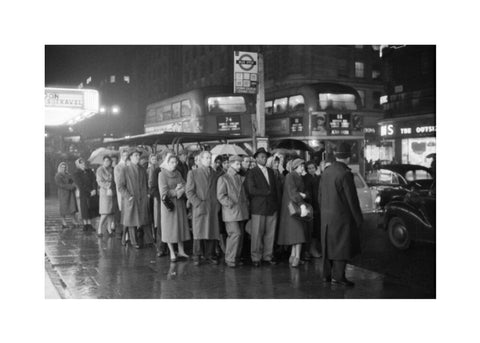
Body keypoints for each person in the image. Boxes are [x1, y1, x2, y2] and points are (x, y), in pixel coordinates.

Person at [318, 142, 363, 287]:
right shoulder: (345, 174)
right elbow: (352, 200)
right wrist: (358, 219)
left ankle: (326, 275)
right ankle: (338, 276)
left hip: (326, 216)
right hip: (342, 217)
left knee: (328, 245)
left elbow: (320, 195)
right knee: (341, 247)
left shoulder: (326, 171)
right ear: (348, 158)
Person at [245, 148, 281, 267]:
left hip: (271, 206)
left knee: (270, 233)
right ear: (256, 158)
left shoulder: (271, 171)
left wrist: (277, 204)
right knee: (257, 234)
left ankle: (267, 256)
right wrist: (266, 192)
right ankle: (256, 257)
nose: (264, 159)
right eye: (261, 157)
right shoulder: (252, 172)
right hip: (258, 207)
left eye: (265, 157)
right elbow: (251, 190)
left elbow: (276, 190)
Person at [186, 151, 221, 265]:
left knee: (212, 230)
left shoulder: (215, 174)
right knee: (198, 232)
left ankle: (210, 254)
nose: (209, 160)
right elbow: (189, 192)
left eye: (210, 158)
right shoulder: (193, 173)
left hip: (212, 206)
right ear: (200, 159)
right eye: (206, 158)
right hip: (200, 206)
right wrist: (198, 204)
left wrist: (217, 205)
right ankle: (197, 254)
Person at [217, 155, 249, 268]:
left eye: (240, 164)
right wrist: (230, 203)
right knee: (235, 234)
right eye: (237, 164)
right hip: (231, 212)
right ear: (231, 164)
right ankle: (230, 258)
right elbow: (221, 196)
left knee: (239, 236)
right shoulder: (223, 178)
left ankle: (235, 257)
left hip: (241, 211)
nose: (239, 166)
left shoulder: (240, 178)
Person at [158, 153, 191, 262]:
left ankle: (181, 251)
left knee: (180, 227)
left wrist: (182, 189)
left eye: (176, 162)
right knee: (169, 229)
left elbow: (185, 184)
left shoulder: (178, 173)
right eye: (172, 162)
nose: (174, 164)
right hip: (169, 206)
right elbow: (163, 192)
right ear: (167, 162)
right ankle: (172, 252)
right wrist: (177, 192)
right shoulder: (162, 174)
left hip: (180, 204)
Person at [277, 159, 309, 267]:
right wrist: (302, 203)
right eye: (301, 166)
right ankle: (297, 257)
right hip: (295, 207)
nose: (303, 168)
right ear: (295, 167)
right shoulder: (292, 176)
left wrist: (303, 196)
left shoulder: (292, 176)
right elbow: (293, 192)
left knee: (295, 233)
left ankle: (293, 256)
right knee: (298, 232)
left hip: (291, 207)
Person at [117, 149, 151, 249]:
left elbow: (146, 184)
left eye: (138, 155)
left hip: (142, 198)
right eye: (135, 155)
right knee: (131, 221)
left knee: (140, 219)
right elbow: (120, 187)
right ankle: (133, 241)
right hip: (131, 199)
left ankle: (128, 238)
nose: (138, 157)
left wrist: (147, 194)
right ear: (130, 157)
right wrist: (129, 196)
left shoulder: (142, 169)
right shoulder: (125, 169)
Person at [148, 154, 168, 257]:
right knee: (161, 224)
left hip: (172, 201)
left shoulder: (175, 170)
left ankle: (170, 247)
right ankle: (161, 247)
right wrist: (161, 198)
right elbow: (153, 188)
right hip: (162, 201)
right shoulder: (157, 171)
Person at [72, 158, 99, 231]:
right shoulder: (76, 173)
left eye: (83, 163)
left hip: (92, 193)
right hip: (84, 193)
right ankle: (85, 224)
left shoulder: (89, 171)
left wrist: (94, 189)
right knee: (84, 209)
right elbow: (80, 184)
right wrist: (89, 191)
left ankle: (89, 224)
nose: (83, 164)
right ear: (78, 165)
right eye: (81, 163)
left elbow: (94, 180)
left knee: (90, 208)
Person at [303, 160, 322, 258]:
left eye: (312, 168)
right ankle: (310, 250)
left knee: (316, 229)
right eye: (309, 168)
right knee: (312, 230)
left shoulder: (317, 177)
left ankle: (313, 249)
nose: (311, 170)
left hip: (317, 206)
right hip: (311, 206)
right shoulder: (307, 178)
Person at [96, 155, 118, 237]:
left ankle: (109, 229)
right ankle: (99, 228)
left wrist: (111, 186)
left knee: (111, 212)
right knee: (105, 212)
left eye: (108, 161)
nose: (107, 162)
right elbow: (99, 181)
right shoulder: (100, 170)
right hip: (104, 192)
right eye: (105, 161)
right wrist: (107, 186)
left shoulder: (112, 169)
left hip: (112, 191)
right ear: (103, 161)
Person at [54, 162, 81, 229]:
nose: (64, 168)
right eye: (62, 167)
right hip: (63, 193)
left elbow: (72, 182)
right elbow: (60, 185)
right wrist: (71, 187)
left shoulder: (68, 174)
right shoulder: (58, 175)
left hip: (70, 193)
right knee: (63, 207)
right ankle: (63, 222)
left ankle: (74, 220)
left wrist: (76, 186)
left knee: (72, 207)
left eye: (65, 167)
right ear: (60, 168)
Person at [114, 148, 129, 239]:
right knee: (123, 212)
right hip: (122, 191)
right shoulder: (118, 167)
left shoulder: (130, 165)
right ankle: (123, 233)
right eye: (124, 155)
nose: (126, 157)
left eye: (127, 155)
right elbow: (118, 181)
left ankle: (127, 234)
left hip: (130, 191)